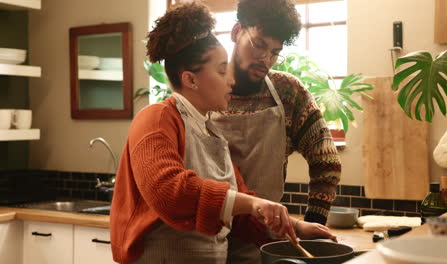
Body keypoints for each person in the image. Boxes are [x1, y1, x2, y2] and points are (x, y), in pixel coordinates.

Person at [109, 2, 334, 264]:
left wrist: (294, 227)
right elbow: (169, 192)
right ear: (191, 80)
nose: (231, 80)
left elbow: (239, 214)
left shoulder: (212, 133)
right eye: (221, 70)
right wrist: (252, 204)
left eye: (275, 52)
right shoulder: (157, 118)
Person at [210, 0, 342, 262]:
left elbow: (326, 162)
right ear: (236, 32)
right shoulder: (203, 89)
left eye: (275, 51)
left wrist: (311, 225)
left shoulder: (288, 93)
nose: (265, 59)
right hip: (204, 243)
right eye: (259, 44)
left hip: (264, 247)